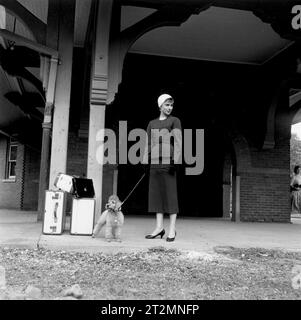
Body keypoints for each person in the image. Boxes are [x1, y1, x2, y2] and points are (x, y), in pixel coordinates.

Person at [143, 93, 182, 242]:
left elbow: (178, 141)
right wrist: (145, 162)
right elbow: (147, 143)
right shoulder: (152, 124)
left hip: (168, 163)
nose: (169, 108)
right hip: (154, 164)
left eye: (171, 105)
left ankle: (172, 229)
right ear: (160, 106)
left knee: (170, 196)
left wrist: (176, 162)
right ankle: (159, 228)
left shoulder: (174, 121)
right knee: (156, 196)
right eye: (166, 105)